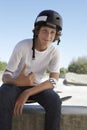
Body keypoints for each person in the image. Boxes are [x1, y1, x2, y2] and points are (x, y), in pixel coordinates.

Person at [0, 9, 62, 130]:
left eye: (52, 32)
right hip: (15, 84)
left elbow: (54, 80)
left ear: (56, 35)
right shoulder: (22, 46)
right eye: (45, 31)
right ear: (37, 30)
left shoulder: (55, 52)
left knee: (55, 100)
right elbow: (5, 76)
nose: (48, 36)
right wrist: (18, 82)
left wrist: (27, 92)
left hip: (36, 87)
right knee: (3, 94)